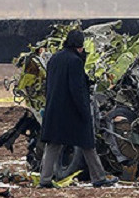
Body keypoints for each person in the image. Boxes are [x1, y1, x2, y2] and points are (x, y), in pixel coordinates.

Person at [38, 29, 118, 188]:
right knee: (87, 144)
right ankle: (99, 177)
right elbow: (77, 89)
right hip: (72, 111)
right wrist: (84, 111)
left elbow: (50, 85)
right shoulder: (75, 61)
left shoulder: (54, 58)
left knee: (53, 144)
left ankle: (45, 179)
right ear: (79, 46)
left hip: (54, 109)